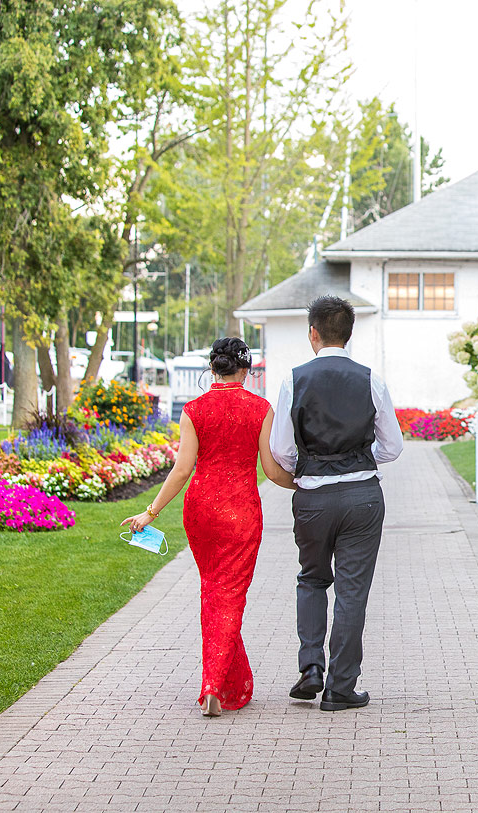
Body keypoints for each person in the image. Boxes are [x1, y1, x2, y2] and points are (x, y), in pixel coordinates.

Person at [121, 338, 295, 717]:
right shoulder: (260, 408)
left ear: (212, 369)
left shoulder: (194, 409)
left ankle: (227, 679)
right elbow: (271, 470)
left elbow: (182, 470)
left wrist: (149, 513)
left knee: (213, 592)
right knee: (229, 594)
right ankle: (213, 686)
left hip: (200, 510)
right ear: (246, 370)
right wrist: (306, 484)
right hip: (241, 511)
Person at [270, 295, 403, 712]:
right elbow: (393, 446)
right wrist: (359, 461)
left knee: (311, 579)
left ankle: (311, 668)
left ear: (313, 333)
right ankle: (341, 688)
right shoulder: (370, 379)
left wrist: (310, 470)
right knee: (352, 591)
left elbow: (280, 449)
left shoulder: (294, 380)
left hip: (313, 496)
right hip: (363, 495)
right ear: (348, 334)